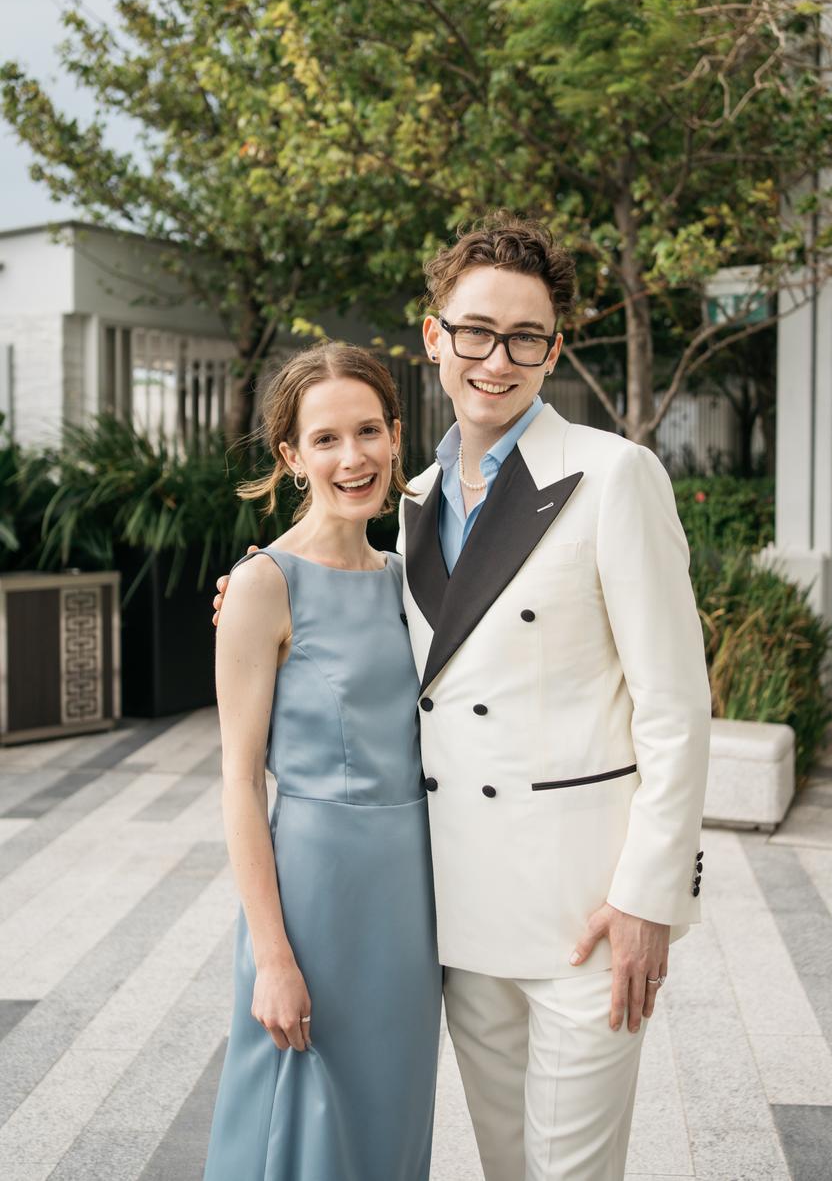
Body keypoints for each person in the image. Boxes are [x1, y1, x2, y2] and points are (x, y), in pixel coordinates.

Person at [215, 214, 711, 1181]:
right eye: (477, 331)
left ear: (553, 351)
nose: (497, 359)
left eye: (526, 338)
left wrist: (651, 897)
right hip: (460, 922)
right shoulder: (412, 503)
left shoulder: (614, 475)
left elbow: (676, 706)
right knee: (504, 1164)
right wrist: (255, 592)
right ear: (436, 336)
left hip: (586, 916)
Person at [203, 344, 441, 1181]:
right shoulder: (262, 584)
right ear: (292, 456)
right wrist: (273, 959)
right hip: (314, 896)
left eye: (369, 431)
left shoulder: (411, 580)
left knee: (390, 1124)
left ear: (396, 436)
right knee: (302, 1120)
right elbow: (239, 782)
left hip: (410, 901)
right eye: (327, 439)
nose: (354, 458)